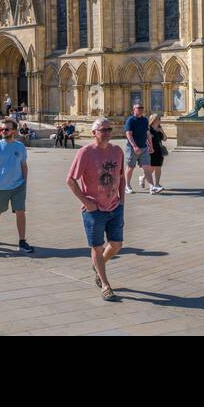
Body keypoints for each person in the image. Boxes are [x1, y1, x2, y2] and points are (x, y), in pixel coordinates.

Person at [66, 118, 125, 301]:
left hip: (114, 206)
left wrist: (122, 200)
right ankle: (105, 284)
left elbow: (121, 176)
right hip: (94, 209)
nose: (106, 132)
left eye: (109, 129)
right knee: (97, 247)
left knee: (116, 244)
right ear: (94, 133)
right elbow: (70, 180)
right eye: (102, 130)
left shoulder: (117, 151)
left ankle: (98, 265)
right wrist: (86, 201)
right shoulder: (85, 153)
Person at [0, 119, 33, 253]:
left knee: (20, 212)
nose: (3, 131)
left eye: (6, 129)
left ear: (14, 131)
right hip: (1, 186)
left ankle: (22, 241)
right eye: (2, 129)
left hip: (18, 186)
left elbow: (24, 165)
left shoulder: (20, 147)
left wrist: (24, 182)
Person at [124, 100, 151, 193]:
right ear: (133, 109)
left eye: (142, 108)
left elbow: (147, 133)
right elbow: (128, 134)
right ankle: (127, 186)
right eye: (139, 108)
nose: (141, 110)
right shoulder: (130, 120)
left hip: (144, 147)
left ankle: (152, 186)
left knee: (147, 167)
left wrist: (150, 146)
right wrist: (134, 146)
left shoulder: (144, 120)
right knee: (130, 167)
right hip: (132, 148)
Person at [147, 113, 167, 193]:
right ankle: (143, 178)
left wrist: (162, 131)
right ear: (154, 120)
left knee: (158, 167)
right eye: (159, 119)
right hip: (151, 150)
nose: (160, 120)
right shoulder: (148, 129)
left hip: (159, 150)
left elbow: (165, 139)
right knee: (152, 168)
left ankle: (157, 184)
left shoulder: (159, 128)